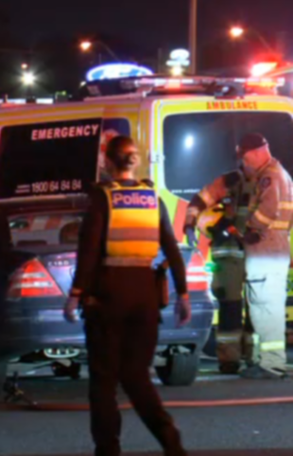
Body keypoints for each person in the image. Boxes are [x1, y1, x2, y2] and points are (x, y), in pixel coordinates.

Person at [63, 135, 190, 456]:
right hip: (145, 297)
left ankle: (108, 449)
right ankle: (170, 440)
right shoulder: (151, 198)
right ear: (135, 161)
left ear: (107, 161)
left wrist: (75, 294)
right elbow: (172, 248)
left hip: (107, 298)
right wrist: (184, 294)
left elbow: (88, 251)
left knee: (104, 381)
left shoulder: (103, 198)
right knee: (137, 377)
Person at [206, 133, 292, 379]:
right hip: (272, 251)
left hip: (265, 252)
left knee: (266, 309)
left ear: (255, 152)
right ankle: (268, 362)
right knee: (267, 308)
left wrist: (244, 230)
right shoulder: (276, 174)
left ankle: (271, 364)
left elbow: (267, 211)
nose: (243, 163)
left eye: (244, 157)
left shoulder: (270, 177)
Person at [183, 169, 255, 374]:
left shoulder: (269, 180)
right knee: (231, 309)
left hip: (254, 254)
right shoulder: (230, 181)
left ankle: (253, 358)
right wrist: (189, 224)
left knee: (256, 309)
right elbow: (199, 200)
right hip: (230, 254)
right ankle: (231, 360)